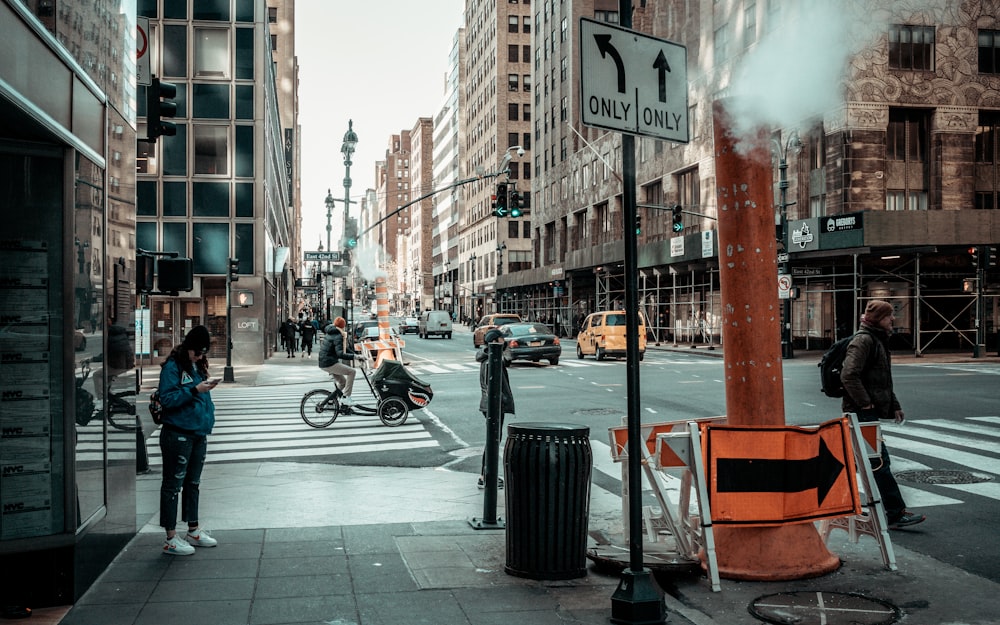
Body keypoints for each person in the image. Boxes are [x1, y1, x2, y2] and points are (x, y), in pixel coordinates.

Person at [841, 300, 925, 530]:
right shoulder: (864, 341)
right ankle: (894, 512)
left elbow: (881, 381)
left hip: (866, 412)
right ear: (879, 319)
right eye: (889, 316)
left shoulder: (876, 340)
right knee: (878, 463)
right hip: (861, 413)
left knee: (868, 462)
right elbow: (849, 375)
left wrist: (894, 405)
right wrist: (865, 404)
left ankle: (883, 509)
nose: (893, 320)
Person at [157, 325, 220, 556]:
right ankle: (170, 537)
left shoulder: (196, 366)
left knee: (192, 483)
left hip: (197, 432)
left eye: (204, 352)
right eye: (198, 352)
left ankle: (193, 529)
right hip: (178, 432)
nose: (201, 356)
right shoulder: (173, 367)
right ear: (189, 348)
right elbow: (168, 398)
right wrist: (195, 390)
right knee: (173, 485)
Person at [476, 328, 514, 489]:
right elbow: (490, 386)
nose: (504, 341)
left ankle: (486, 475)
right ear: (495, 342)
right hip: (493, 406)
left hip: (493, 405)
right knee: (492, 442)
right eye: (501, 340)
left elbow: (507, 361)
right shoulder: (490, 361)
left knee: (493, 441)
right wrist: (501, 400)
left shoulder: (492, 358)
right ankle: (486, 476)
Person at [318, 317, 357, 406]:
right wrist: (354, 356)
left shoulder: (332, 332)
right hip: (329, 363)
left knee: (343, 382)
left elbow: (344, 349)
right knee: (352, 372)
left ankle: (331, 400)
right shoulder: (338, 335)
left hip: (325, 361)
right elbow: (340, 353)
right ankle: (346, 398)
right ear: (343, 326)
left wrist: (355, 355)